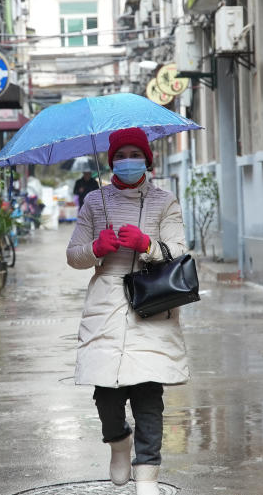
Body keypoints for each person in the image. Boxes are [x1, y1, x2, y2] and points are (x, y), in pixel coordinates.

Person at [65, 127, 189, 495]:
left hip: (152, 299)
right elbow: (73, 256)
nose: (128, 161)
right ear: (111, 161)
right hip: (105, 302)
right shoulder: (93, 201)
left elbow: (179, 251)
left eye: (135, 154)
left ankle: (147, 473)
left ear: (147, 160)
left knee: (148, 392)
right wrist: (95, 249)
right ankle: (119, 444)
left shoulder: (165, 201)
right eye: (121, 155)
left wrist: (147, 243)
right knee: (106, 392)